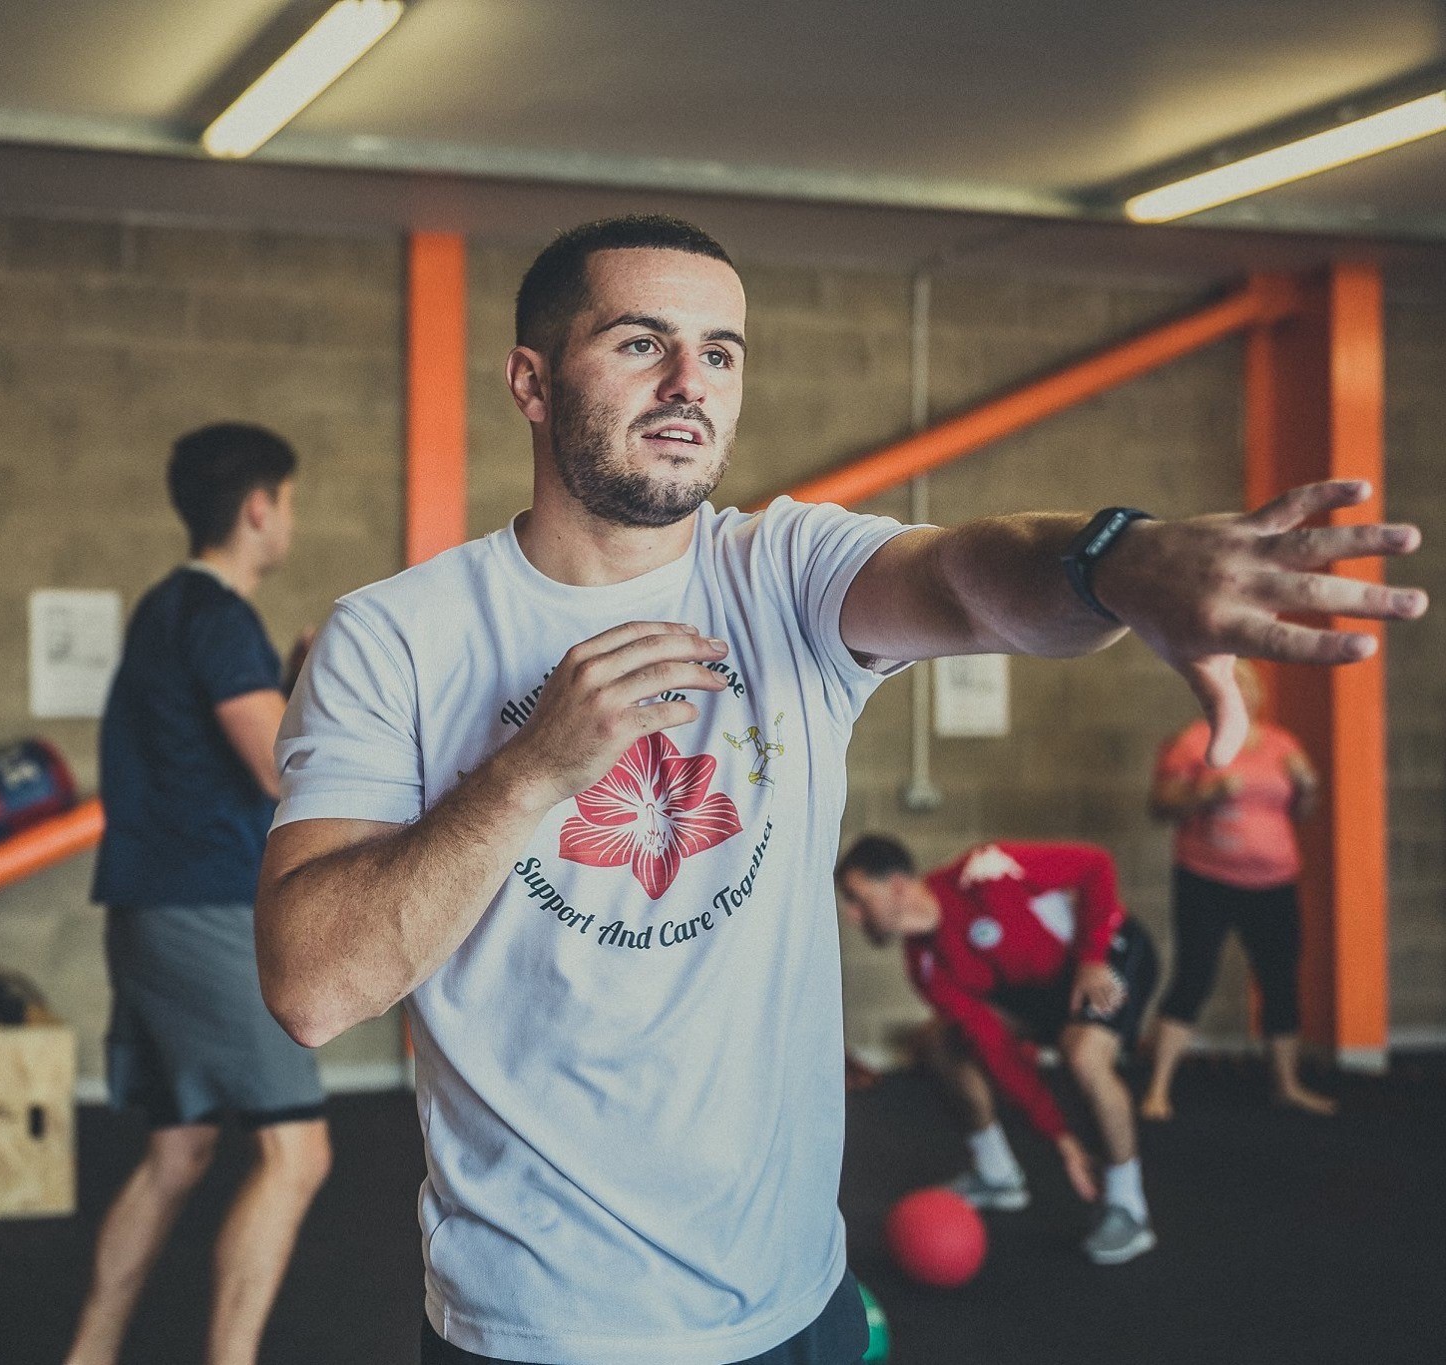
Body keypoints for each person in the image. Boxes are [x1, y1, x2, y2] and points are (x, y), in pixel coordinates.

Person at [251, 214, 1424, 1365]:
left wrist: (1113, 560)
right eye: (639, 342)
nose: (688, 382)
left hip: (793, 1295)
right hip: (542, 1324)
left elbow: (966, 578)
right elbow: (311, 988)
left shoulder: (778, 570)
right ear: (531, 381)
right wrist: (528, 775)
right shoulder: (395, 638)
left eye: (719, 352)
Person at [66, 424, 330, 1365]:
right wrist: (325, 692)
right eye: (287, 501)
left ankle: (88, 1355)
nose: (288, 518)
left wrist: (288, 682)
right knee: (298, 1153)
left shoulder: (167, 608)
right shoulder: (217, 617)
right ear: (259, 507)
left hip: (151, 909)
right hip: (204, 911)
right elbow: (279, 769)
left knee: (179, 1152)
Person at [835, 835, 1159, 1264]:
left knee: (1083, 1055)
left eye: (857, 898)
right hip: (1040, 991)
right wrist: (1060, 1137)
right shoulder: (925, 965)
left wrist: (1092, 958)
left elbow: (1095, 864)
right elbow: (996, 1048)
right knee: (936, 1042)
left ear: (896, 886)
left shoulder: (985, 872)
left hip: (1106, 952)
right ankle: (996, 1173)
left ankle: (1127, 1206)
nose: (852, 916)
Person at [1141, 660, 1334, 1119]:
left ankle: (1287, 1086)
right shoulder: (1194, 741)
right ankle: (1157, 1090)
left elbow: (1302, 811)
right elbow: (1160, 805)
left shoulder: (1282, 743)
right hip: (1205, 879)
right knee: (1193, 977)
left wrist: (1307, 786)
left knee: (1280, 982)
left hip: (1274, 883)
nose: (1239, 690)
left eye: (1246, 683)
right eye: (1230, 682)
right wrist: (1207, 793)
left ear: (1257, 695)